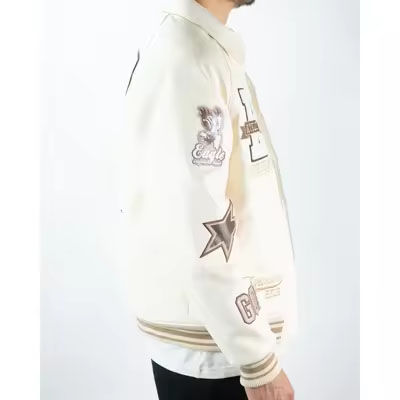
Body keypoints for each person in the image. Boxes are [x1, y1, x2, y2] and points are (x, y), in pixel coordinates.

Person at [119, 0, 298, 399]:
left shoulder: (202, 50)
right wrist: (258, 363)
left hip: (219, 342)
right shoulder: (190, 59)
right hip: (214, 356)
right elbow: (196, 228)